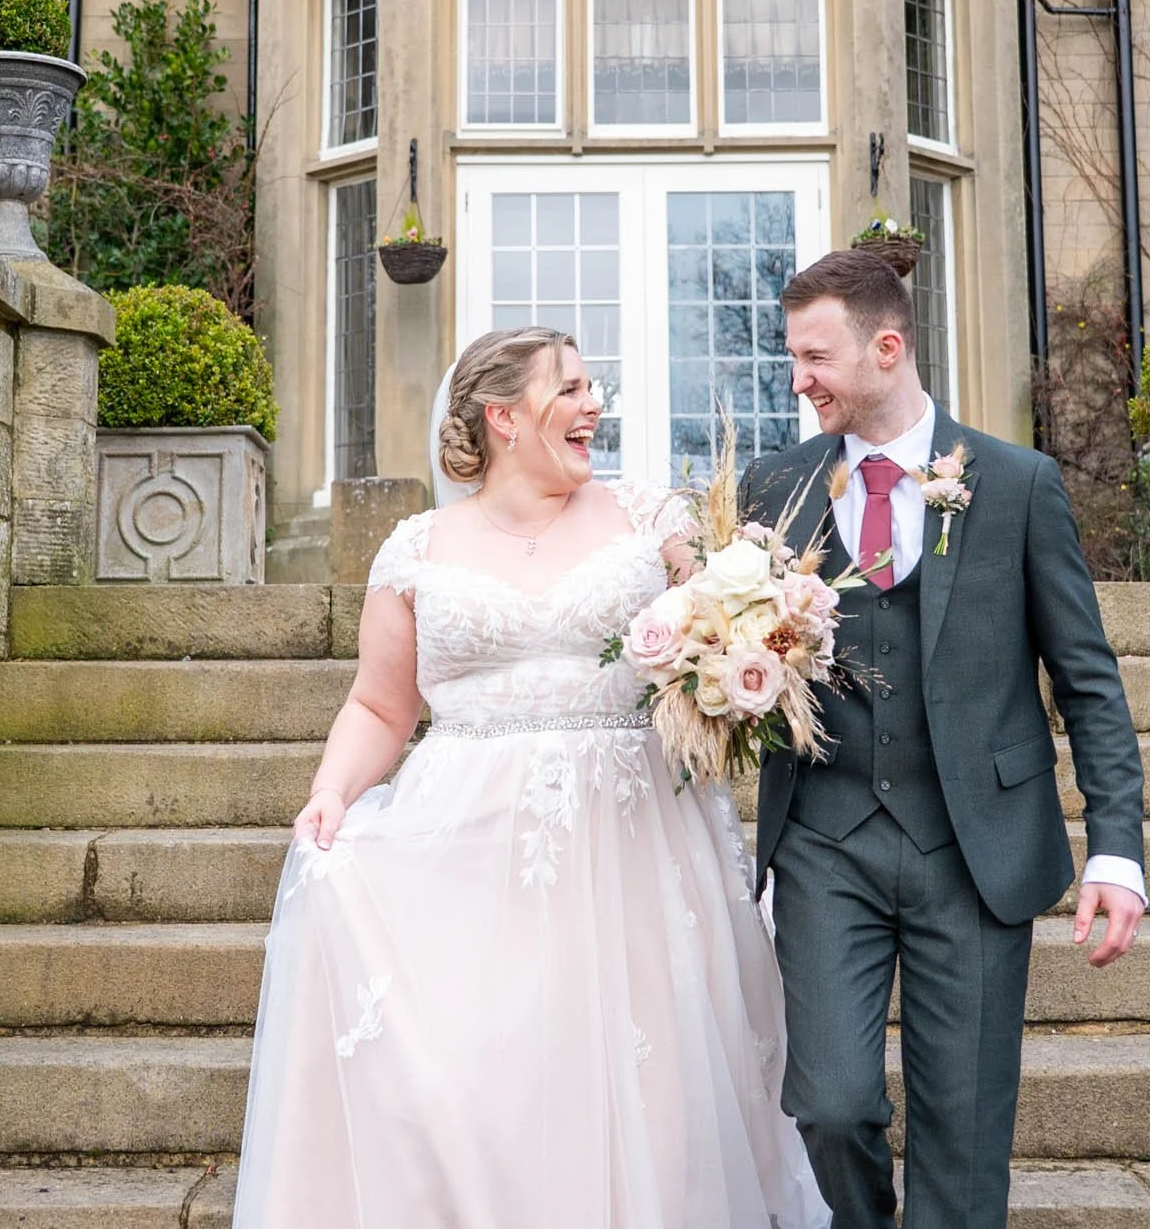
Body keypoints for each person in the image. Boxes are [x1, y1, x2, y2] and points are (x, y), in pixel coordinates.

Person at [230, 326, 829, 1229]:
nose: (596, 406)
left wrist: (751, 660)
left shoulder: (648, 519)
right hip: (467, 852)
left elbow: (739, 629)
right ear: (502, 415)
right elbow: (381, 707)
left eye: (595, 388)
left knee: (650, 1087)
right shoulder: (417, 548)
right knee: (484, 1081)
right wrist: (331, 792)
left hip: (634, 845)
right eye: (573, 389)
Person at [740, 250, 1149, 1229]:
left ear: (887, 347)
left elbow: (1087, 681)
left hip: (974, 846)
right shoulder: (770, 489)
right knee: (830, 1105)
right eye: (792, 356)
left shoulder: (1015, 484)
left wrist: (1118, 848)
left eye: (814, 356)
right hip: (824, 841)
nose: (797, 380)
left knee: (961, 1144)